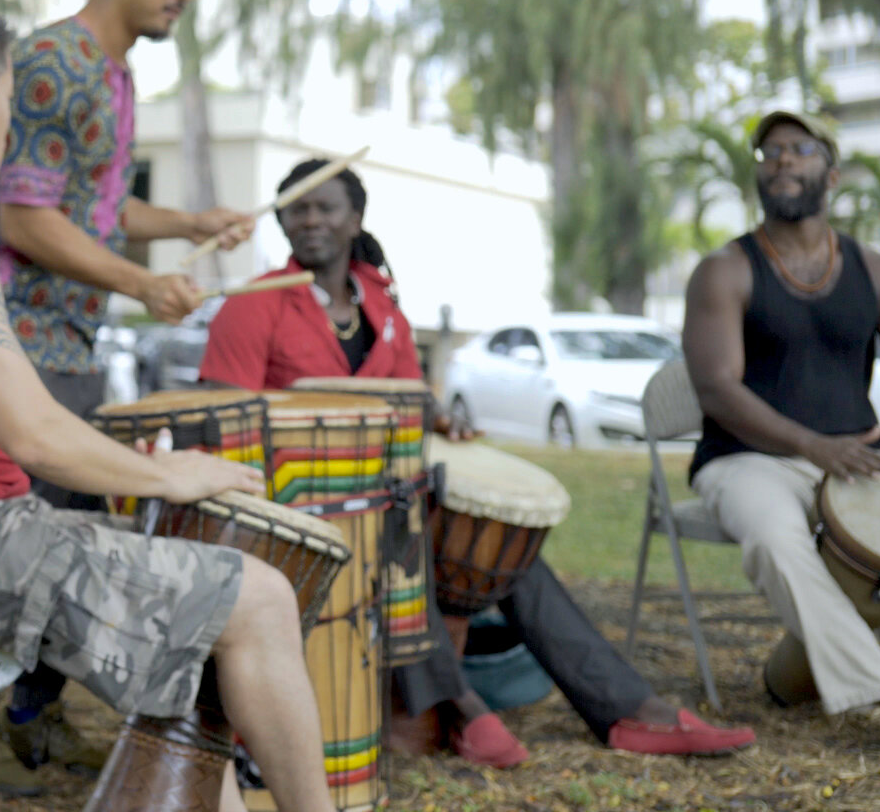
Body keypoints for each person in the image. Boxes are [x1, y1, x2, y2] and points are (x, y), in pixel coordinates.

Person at [0, 1, 334, 812]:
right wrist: (173, 477)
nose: (15, 123)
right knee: (259, 598)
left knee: (202, 617)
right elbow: (39, 437)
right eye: (11, 101)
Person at [200, 159, 755, 761]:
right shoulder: (253, 304)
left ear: (354, 217)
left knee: (513, 555)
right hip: (301, 506)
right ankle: (466, 708)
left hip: (387, 498)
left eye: (324, 206)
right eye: (296, 207)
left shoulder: (384, 310)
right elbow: (223, 419)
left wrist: (439, 417)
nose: (310, 219)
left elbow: (410, 400)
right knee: (399, 533)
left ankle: (632, 712)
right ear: (279, 219)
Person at [0, 0, 253, 788]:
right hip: (15, 338)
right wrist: (140, 283)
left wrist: (190, 222)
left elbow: (101, 208)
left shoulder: (115, 76)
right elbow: (25, 215)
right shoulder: (52, 62)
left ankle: (32, 717)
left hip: (67, 342)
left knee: (76, 533)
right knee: (18, 536)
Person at [684, 110, 880, 716]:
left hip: (853, 460)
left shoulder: (873, 269)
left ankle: (790, 678)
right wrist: (813, 445)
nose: (784, 161)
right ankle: (874, 691)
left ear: (833, 174)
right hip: (748, 461)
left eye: (800, 149)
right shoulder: (725, 270)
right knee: (775, 539)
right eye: (770, 153)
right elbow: (716, 388)